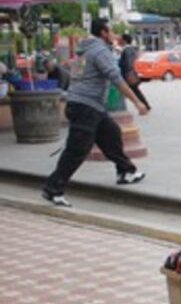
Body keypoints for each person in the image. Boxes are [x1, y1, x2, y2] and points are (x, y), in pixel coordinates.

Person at [42, 18, 148, 208]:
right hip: (86, 107)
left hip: (87, 106)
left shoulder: (85, 50)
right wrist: (137, 102)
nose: (114, 36)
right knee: (77, 150)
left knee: (112, 132)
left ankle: (125, 171)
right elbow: (116, 78)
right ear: (103, 33)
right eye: (111, 31)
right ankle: (53, 188)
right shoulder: (99, 51)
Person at [118, 33, 150, 111]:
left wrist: (127, 73)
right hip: (130, 73)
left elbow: (128, 63)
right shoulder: (130, 49)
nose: (119, 41)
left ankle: (145, 106)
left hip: (128, 74)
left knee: (132, 90)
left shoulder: (127, 50)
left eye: (121, 39)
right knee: (134, 91)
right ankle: (145, 105)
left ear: (124, 40)